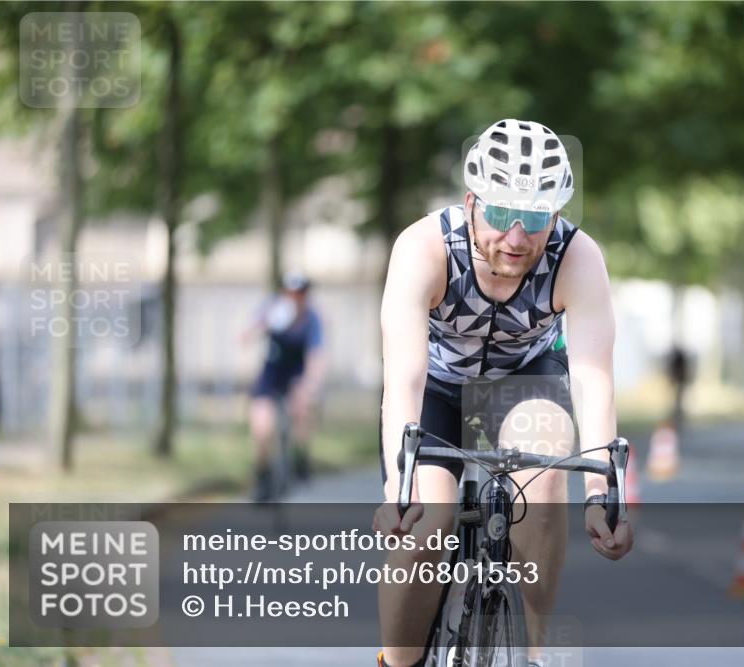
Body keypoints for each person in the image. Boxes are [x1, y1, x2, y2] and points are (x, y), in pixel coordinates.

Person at [373, 119, 634, 667]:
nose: (516, 238)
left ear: (556, 214)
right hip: (438, 389)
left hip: (525, 381)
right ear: (471, 201)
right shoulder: (425, 248)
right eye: (499, 215)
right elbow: (405, 379)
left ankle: (535, 654)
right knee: (426, 527)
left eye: (535, 218)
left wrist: (602, 496)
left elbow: (593, 378)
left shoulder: (578, 258)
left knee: (541, 489)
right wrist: (401, 489)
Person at [243, 271, 326, 502]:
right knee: (261, 427)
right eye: (291, 293)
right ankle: (263, 477)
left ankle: (301, 457)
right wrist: (263, 323)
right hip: (271, 373)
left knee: (301, 407)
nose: (295, 299)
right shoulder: (271, 309)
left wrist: (310, 384)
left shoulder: (312, 319)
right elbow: (244, 336)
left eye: (300, 294)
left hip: (296, 374)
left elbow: (316, 356)